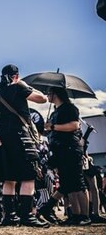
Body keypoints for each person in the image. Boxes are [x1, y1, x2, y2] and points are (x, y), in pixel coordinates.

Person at [0, 64, 49, 227]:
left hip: (2, 140)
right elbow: (42, 99)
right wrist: (24, 84)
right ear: (16, 76)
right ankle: (27, 216)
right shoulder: (19, 87)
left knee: (8, 179)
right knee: (28, 177)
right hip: (22, 137)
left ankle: (9, 217)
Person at [37, 87, 92, 226]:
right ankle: (76, 215)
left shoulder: (69, 108)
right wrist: (46, 130)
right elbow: (52, 131)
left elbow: (74, 125)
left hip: (71, 149)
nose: (47, 95)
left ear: (56, 94)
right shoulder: (55, 112)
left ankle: (85, 215)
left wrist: (53, 127)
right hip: (60, 151)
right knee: (69, 184)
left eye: (49, 93)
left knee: (78, 183)